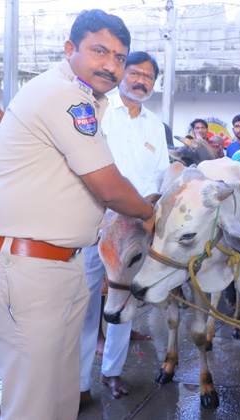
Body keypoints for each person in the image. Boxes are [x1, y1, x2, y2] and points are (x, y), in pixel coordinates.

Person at [0, 9, 157, 420]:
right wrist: (149, 214)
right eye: (100, 51)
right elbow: (107, 185)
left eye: (120, 57)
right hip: (31, 265)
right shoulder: (64, 96)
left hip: (64, 263)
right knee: (32, 402)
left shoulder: (89, 100)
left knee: (62, 397)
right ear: (70, 49)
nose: (112, 65)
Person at [79, 50, 169, 403]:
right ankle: (81, 383)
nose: (141, 80)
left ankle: (111, 373)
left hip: (134, 230)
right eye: (135, 73)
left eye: (148, 76)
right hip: (94, 223)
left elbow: (161, 174)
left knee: (123, 305)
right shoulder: (99, 113)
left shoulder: (154, 126)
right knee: (86, 305)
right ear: (122, 73)